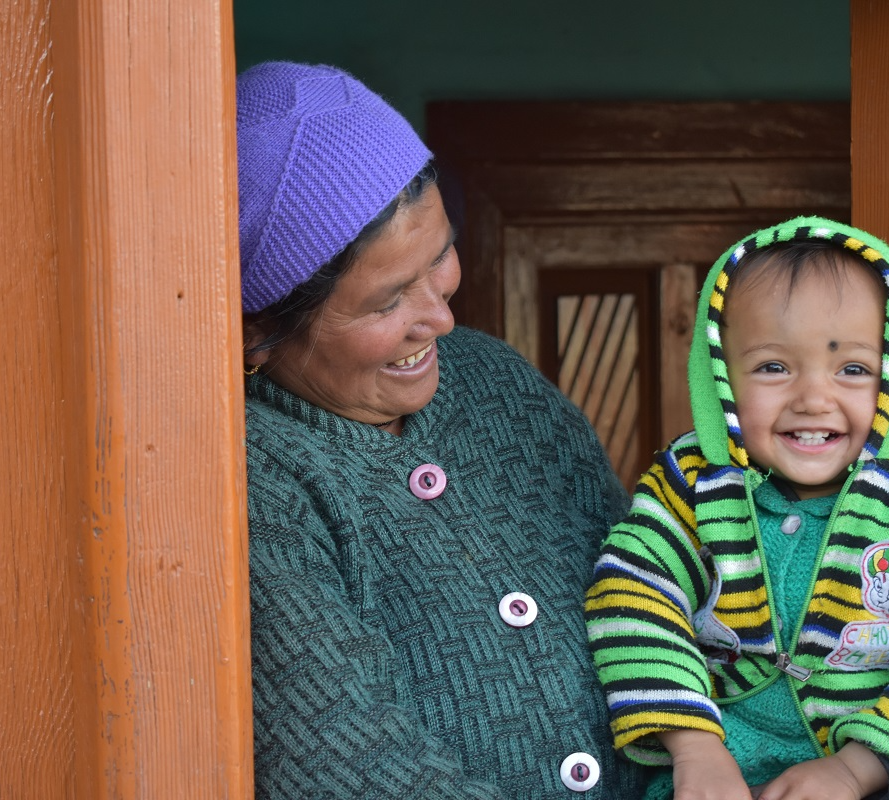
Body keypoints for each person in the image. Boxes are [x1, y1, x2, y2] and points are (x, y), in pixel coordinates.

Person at [237, 61, 641, 799]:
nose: (443, 318)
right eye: (390, 299)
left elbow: (643, 595)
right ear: (260, 332)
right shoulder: (253, 480)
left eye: (441, 257)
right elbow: (350, 772)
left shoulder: (492, 380)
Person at [585, 217, 889, 800]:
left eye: (853, 370)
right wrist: (694, 747)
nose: (814, 398)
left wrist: (854, 770)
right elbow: (631, 598)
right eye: (773, 367)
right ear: (722, 377)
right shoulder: (690, 491)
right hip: (726, 770)